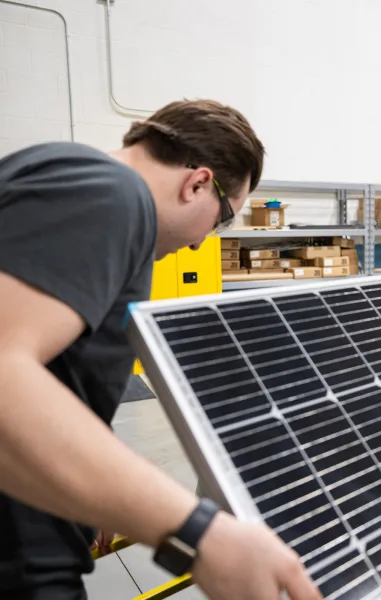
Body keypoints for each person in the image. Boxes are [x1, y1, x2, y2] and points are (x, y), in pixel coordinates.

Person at [0, 100, 322, 600]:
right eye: (222, 220)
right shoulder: (110, 193)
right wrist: (198, 531)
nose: (200, 245)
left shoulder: (70, 179)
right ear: (197, 184)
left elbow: (51, 374)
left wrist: (101, 493)